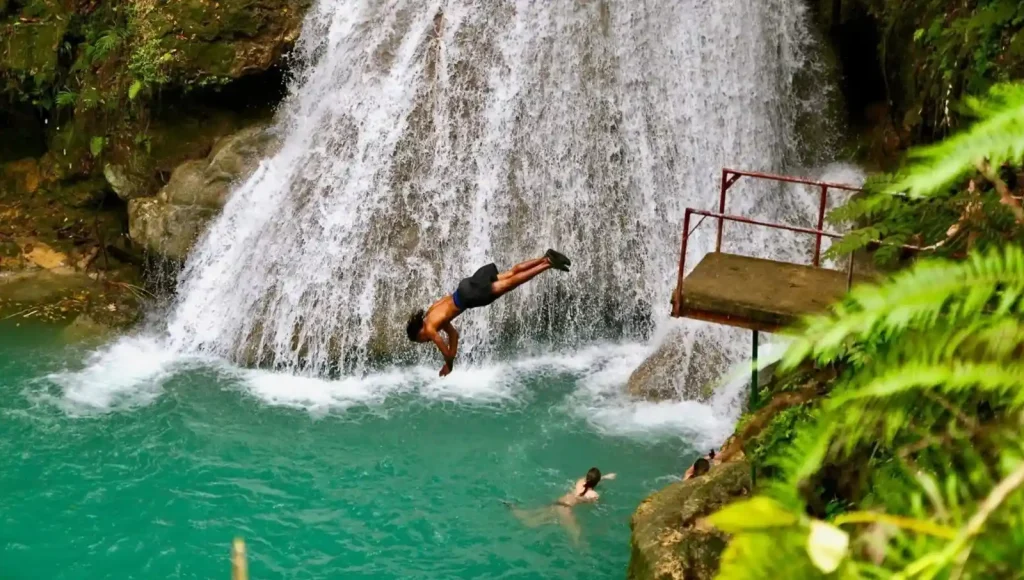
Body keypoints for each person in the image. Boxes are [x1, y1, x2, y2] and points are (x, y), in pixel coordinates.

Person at [405, 249, 572, 376]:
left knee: (510, 283)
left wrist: (449, 363)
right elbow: (454, 335)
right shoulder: (431, 313)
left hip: (470, 297)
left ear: (419, 334)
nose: (426, 341)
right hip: (465, 287)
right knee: (510, 273)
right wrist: (453, 353)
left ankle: (548, 263)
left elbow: (445, 350)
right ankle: (544, 258)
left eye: (421, 341)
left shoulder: (430, 330)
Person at [507, 467, 616, 545]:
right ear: (596, 483)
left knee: (535, 515)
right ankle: (581, 554)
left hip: (559, 501)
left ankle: (513, 510)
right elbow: (594, 503)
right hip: (566, 509)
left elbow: (589, 481)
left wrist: (604, 477)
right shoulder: (594, 495)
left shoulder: (580, 481)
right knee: (576, 535)